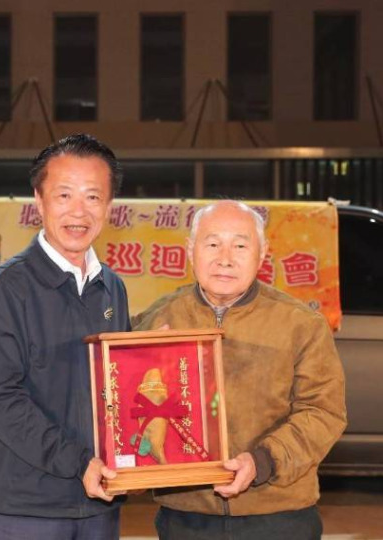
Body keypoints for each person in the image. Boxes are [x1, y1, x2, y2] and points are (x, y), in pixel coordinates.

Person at [134, 201, 347, 540]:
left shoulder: (301, 324)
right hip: (186, 514)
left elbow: (324, 412)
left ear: (262, 254)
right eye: (212, 243)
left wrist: (262, 462)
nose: (225, 258)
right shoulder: (156, 320)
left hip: (278, 514)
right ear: (190, 250)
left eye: (240, 245)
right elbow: (125, 405)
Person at [0, 134, 130, 539]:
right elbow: (1, 401)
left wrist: (152, 363)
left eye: (93, 197)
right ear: (39, 202)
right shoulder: (3, 289)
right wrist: (79, 462)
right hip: (25, 509)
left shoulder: (112, 287)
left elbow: (115, 389)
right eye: (64, 195)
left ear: (109, 207)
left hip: (100, 502)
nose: (79, 211)